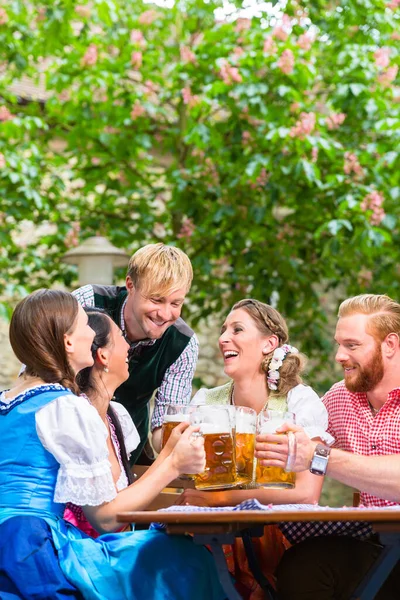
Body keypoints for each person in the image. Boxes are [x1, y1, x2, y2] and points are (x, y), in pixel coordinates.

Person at [0, 289, 225, 600]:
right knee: (184, 558)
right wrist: (171, 462)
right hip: (32, 551)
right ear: (68, 343)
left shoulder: (5, 404)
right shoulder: (66, 408)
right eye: (85, 326)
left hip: (10, 542)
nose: (92, 332)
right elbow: (105, 519)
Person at [178, 298, 331, 597]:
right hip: (215, 535)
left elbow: (307, 493)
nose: (223, 338)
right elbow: (190, 479)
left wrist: (222, 497)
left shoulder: (299, 401)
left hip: (281, 539)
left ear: (268, 343)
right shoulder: (205, 401)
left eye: (237, 329)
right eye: (223, 330)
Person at [256, 293, 400, 599]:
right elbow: (302, 461)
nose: (338, 355)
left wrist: (318, 456)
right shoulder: (338, 398)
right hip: (379, 544)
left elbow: (317, 456)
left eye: (352, 345)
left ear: (390, 344)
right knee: (303, 563)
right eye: (339, 343)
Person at [73, 243, 198, 463]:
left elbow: (163, 428)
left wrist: (184, 438)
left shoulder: (183, 344)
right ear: (130, 284)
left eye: (176, 303)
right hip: (71, 438)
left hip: (127, 451)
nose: (165, 313)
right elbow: (42, 370)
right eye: (156, 300)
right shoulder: (87, 303)